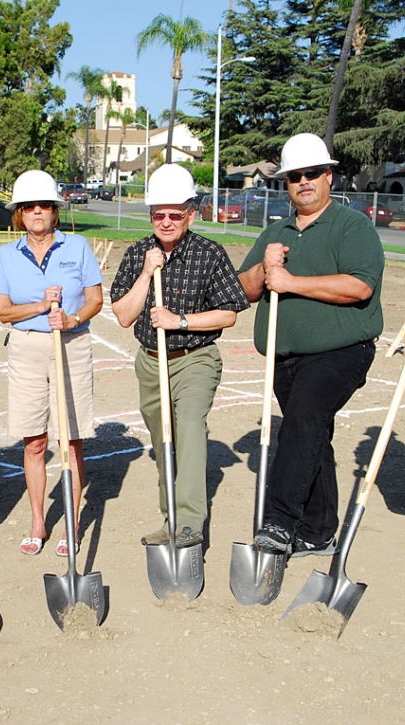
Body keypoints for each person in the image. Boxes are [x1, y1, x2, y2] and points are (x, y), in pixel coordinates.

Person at [238, 133, 384, 560]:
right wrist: (265, 268)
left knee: (302, 420)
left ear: (328, 175)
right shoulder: (275, 231)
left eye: (312, 173)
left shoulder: (351, 225)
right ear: (285, 183)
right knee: (312, 435)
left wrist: (290, 282)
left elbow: (359, 286)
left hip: (341, 352)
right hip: (285, 358)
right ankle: (319, 533)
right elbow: (244, 290)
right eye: (295, 176)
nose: (304, 182)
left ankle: (280, 522)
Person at [111, 164, 249, 547]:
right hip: (151, 361)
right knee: (162, 442)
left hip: (195, 358)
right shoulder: (138, 252)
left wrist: (180, 320)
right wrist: (146, 273)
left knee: (188, 429)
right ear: (150, 214)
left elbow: (230, 313)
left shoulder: (209, 253)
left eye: (176, 214)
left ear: (191, 212)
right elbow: (124, 316)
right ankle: (170, 517)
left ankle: (189, 524)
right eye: (159, 214)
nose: (167, 222)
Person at [0, 170, 103, 557]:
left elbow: (95, 300)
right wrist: (40, 305)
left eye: (45, 205)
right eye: (29, 206)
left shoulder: (78, 247)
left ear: (55, 210)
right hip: (26, 348)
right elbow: (3, 312)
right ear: (19, 213)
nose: (37, 212)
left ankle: (70, 524)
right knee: (35, 441)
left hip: (70, 345)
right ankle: (38, 521)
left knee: (70, 441)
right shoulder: (7, 254)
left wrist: (72, 318)